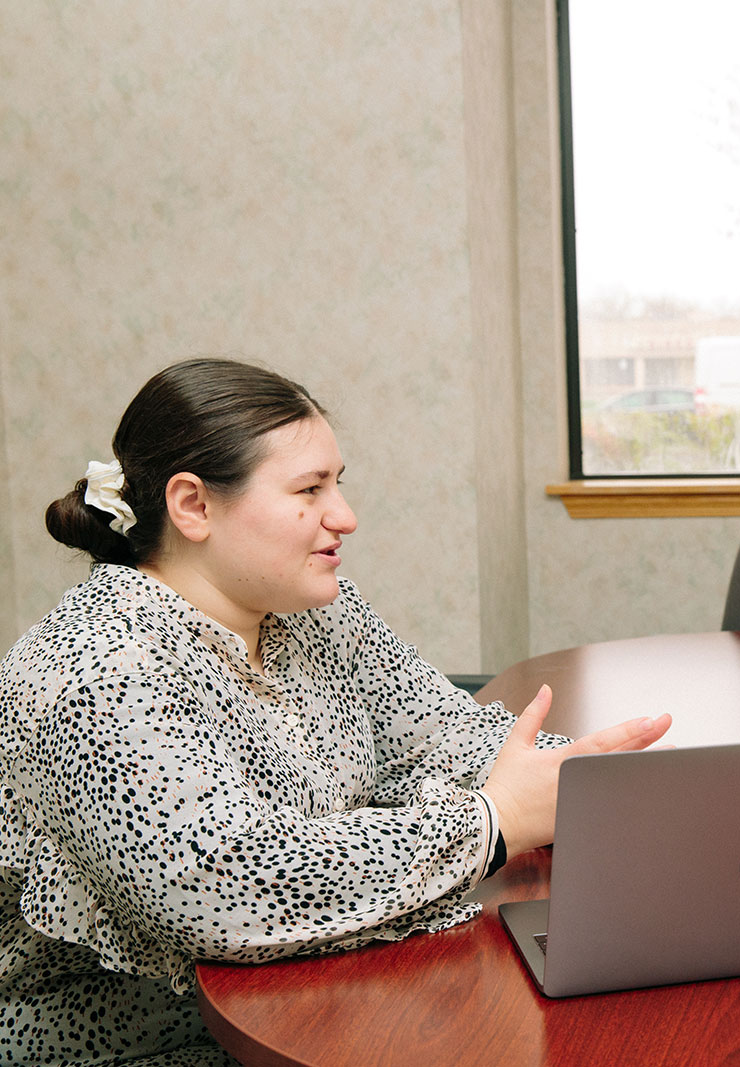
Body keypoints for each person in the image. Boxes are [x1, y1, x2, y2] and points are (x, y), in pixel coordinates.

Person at [0, 359, 671, 1066]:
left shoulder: (311, 608)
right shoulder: (93, 669)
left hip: (317, 994)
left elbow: (446, 736)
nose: (343, 516)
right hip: (152, 1046)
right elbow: (228, 885)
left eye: (337, 482)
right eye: (309, 489)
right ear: (193, 505)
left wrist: (612, 785)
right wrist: (491, 822)